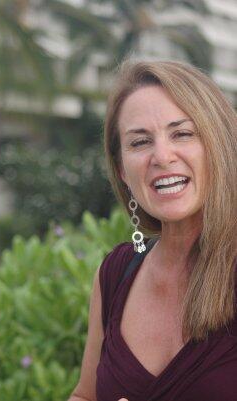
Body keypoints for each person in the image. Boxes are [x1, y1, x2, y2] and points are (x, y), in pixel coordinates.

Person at [68, 60, 237, 401]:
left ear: (220, 145)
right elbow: (84, 395)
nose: (161, 156)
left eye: (182, 134)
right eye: (140, 142)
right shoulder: (116, 272)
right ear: (122, 170)